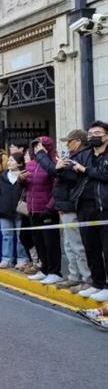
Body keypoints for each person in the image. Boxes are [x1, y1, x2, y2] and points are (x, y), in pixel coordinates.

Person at [48, 129, 92, 291]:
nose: (67, 144)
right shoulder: (74, 157)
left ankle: (87, 278)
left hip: (71, 206)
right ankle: (74, 276)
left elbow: (73, 180)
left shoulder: (81, 157)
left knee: (77, 244)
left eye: (69, 141)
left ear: (78, 141)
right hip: (64, 206)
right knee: (68, 244)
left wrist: (59, 169)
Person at [69, 121, 108, 302]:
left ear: (106, 136)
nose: (92, 136)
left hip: (104, 209)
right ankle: (97, 283)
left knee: (106, 250)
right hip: (85, 208)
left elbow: (104, 175)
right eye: (90, 133)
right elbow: (71, 176)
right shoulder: (85, 154)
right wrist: (62, 167)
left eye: (97, 133)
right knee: (91, 248)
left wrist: (85, 170)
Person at [24, 136, 62, 285]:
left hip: (47, 209)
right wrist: (22, 180)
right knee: (38, 240)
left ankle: (55, 271)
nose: (37, 149)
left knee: (51, 242)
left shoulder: (54, 162)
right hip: (33, 208)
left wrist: (49, 206)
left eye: (41, 146)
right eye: (35, 146)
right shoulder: (31, 164)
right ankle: (44, 268)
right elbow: (28, 186)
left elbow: (57, 187)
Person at [0, 153, 29, 269]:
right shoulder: (3, 175)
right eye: (9, 160)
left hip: (20, 211)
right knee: (6, 236)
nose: (9, 163)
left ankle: (22, 259)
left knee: (20, 237)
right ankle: (6, 259)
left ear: (20, 163)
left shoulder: (24, 176)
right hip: (5, 210)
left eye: (12, 161)